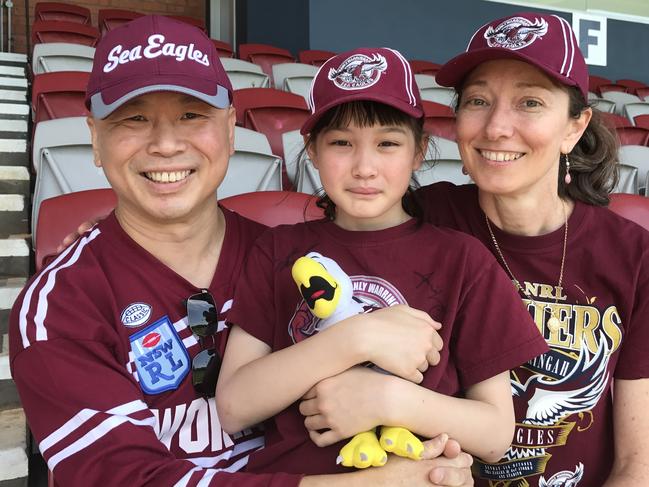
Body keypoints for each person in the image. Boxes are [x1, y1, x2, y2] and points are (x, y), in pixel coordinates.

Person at [9, 15, 475, 487]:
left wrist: (435, 462)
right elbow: (121, 478)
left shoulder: (296, 254)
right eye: (134, 119)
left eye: (192, 115)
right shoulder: (60, 304)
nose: (166, 144)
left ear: (231, 129)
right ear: (94, 137)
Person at [300, 12, 649, 486]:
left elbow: (637, 466)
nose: (497, 128)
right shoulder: (413, 217)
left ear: (574, 126)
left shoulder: (633, 256)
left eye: (529, 102)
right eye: (479, 101)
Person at [215, 47, 548, 476]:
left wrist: (390, 400)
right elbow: (233, 408)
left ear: (418, 152)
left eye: (388, 143)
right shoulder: (279, 250)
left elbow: (496, 435)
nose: (364, 167)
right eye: (341, 143)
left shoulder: (462, 259)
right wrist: (356, 338)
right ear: (311, 151)